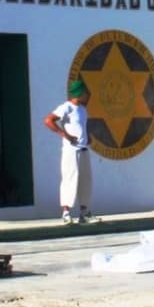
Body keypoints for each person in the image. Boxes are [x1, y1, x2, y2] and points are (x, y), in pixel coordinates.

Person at [43, 79, 99, 224]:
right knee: (69, 179)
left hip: (83, 149)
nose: (87, 95)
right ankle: (66, 213)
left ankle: (84, 213)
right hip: (71, 151)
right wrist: (65, 135)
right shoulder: (66, 107)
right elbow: (48, 120)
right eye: (85, 92)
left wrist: (88, 137)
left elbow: (82, 127)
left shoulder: (82, 109)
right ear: (79, 93)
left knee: (86, 181)